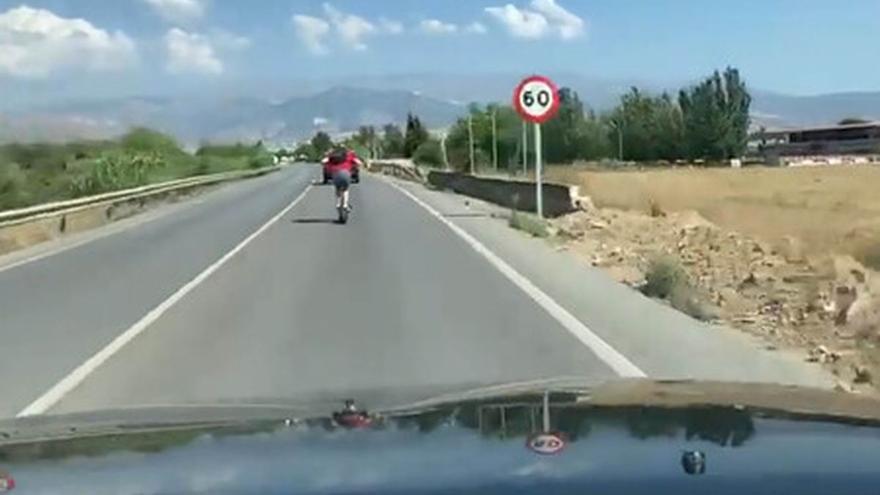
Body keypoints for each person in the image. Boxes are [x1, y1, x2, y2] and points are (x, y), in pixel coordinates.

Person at [323, 147, 362, 212]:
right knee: (345, 189)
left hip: (335, 174)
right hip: (346, 173)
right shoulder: (349, 156)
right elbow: (359, 163)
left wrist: (329, 166)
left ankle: (338, 204)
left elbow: (323, 161)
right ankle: (345, 205)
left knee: (338, 188)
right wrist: (353, 167)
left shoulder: (332, 157)